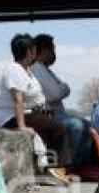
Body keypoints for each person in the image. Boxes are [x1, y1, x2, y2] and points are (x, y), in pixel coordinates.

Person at [0, 33, 71, 184]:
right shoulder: (14, 69)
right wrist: (22, 126)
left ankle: (46, 169)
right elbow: (18, 99)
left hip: (28, 114)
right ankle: (57, 167)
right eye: (34, 50)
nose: (35, 54)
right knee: (59, 128)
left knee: (48, 126)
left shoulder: (26, 70)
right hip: (12, 117)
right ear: (29, 51)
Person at [29, 34, 91, 170]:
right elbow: (56, 93)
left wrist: (62, 87)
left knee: (87, 125)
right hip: (48, 114)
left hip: (55, 112)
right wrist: (64, 87)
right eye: (53, 50)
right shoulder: (37, 68)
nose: (54, 54)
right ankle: (67, 168)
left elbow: (58, 90)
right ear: (45, 50)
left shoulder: (44, 69)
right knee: (77, 126)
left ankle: (79, 167)